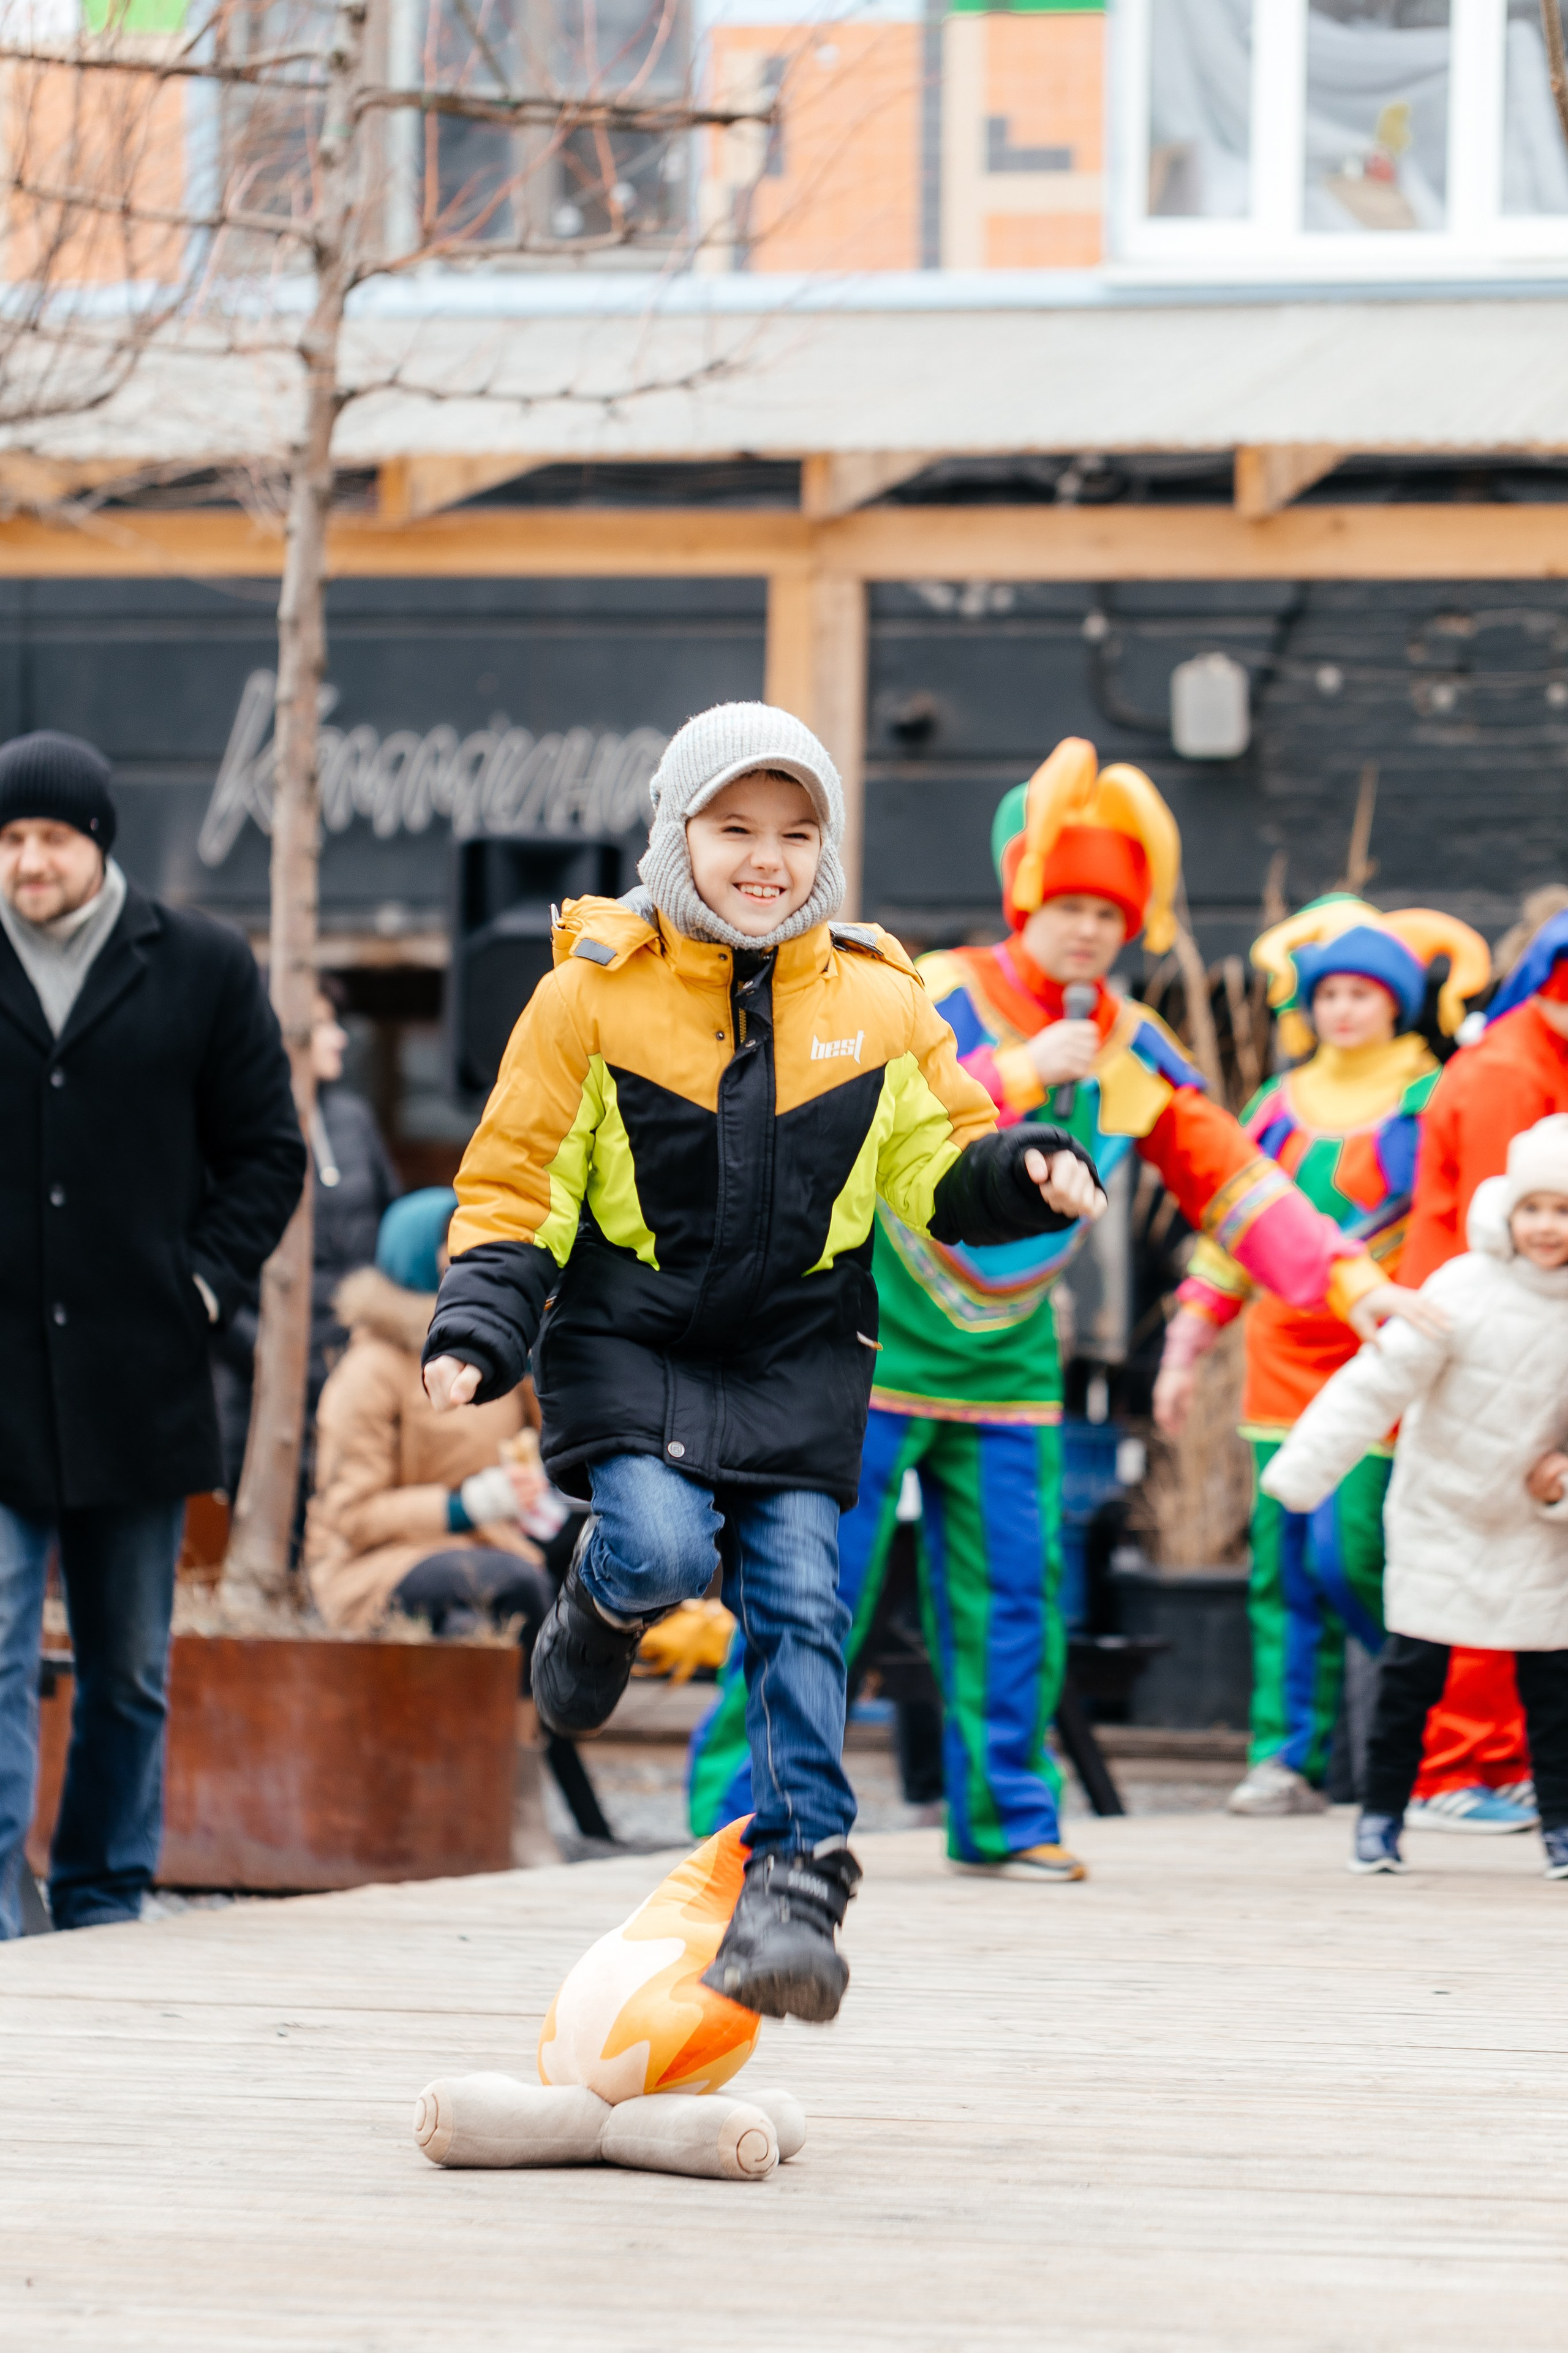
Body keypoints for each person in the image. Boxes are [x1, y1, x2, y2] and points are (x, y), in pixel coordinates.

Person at [420, 701, 1106, 2023]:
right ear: (678, 834)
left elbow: (934, 1158)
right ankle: (601, 1603)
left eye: (795, 833)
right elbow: (515, 1184)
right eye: (734, 827)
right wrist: (476, 1326)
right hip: (635, 1334)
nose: (765, 858)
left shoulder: (877, 999)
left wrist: (1023, 1171)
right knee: (668, 1552)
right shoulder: (586, 997)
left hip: (796, 1343)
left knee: (802, 1599)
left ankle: (796, 1878)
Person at [688, 738, 1415, 1884]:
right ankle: (740, 1821)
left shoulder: (1137, 1044)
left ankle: (1009, 1814)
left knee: (1018, 1596)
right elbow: (854, 1110)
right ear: (1026, 897)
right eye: (1068, 904)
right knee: (810, 1589)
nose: (1087, 930)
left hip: (1012, 1357)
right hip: (865, 1343)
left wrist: (1353, 1281)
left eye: (1108, 915)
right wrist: (1022, 1069)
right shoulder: (928, 989)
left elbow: (1233, 1177)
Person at [0, 730, 305, 1937]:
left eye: (52, 839)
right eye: (11, 840)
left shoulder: (201, 965)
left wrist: (200, 1287)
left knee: (128, 1672)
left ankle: (103, 1896)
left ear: (98, 845)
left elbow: (268, 1151)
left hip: (141, 1379)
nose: (29, 862)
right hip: (0, 1384)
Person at [1155, 896, 1490, 1818]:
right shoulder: (1273, 1104)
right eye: (1330, 991)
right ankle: (1285, 1756)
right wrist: (1186, 1349)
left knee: (1356, 1552)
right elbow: (1233, 1234)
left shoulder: (1433, 1092)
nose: (1344, 1008)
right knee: (1285, 1566)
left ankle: (1418, 1735)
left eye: (1364, 991)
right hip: (1277, 1362)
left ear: (1395, 1002)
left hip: (1385, 1358)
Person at [1261, 1116, 1568, 1880]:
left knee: (1553, 1691)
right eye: (1534, 1208)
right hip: (1442, 1511)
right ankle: (1380, 1817)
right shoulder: (1462, 1287)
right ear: (1507, 1209)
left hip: (1536, 1526)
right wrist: (1303, 1473)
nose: (1546, 1227)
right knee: (1411, 1678)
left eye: (1564, 1211)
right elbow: (1377, 1381)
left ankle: (1560, 1828)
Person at [1393, 899, 1568, 1827]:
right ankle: (1460, 1765)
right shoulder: (1510, 1070)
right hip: (1482, 1342)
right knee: (1479, 1537)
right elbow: (1515, 1236)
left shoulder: (1530, 1055)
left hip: (1518, 1340)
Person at [213, 980, 400, 1497]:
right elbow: (206, 1268)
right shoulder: (226, 1128)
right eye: (322, 1025)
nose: (339, 1038)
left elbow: (394, 1223)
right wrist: (269, 1355)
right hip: (262, 1391)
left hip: (353, 1375)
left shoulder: (355, 1121)